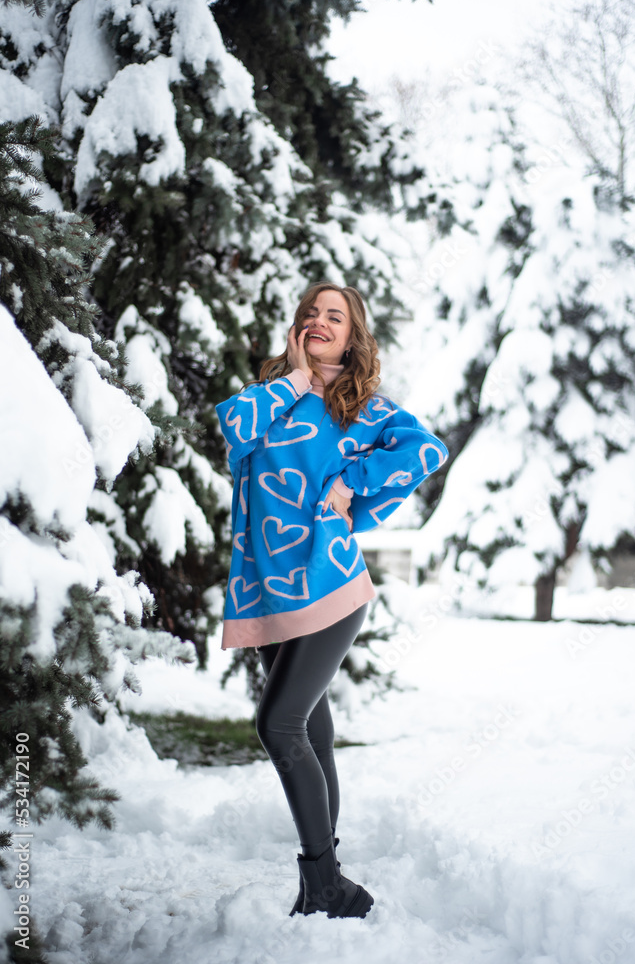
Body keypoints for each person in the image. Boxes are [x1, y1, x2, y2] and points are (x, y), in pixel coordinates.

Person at [215, 282, 448, 919]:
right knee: (310, 731)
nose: (320, 321)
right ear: (297, 328)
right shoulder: (271, 396)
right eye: (311, 312)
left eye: (335, 316)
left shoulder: (363, 407)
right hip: (266, 587)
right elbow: (232, 427)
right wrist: (292, 379)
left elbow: (428, 449)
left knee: (278, 723)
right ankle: (327, 883)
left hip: (330, 582)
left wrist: (352, 483)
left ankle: (325, 884)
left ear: (353, 335)